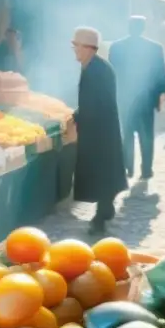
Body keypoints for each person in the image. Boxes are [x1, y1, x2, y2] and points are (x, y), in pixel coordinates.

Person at [71, 27, 128, 234]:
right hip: (99, 129)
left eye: (76, 45)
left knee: (101, 173)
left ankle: (100, 217)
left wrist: (77, 117)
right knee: (104, 173)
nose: (74, 50)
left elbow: (95, 104)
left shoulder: (97, 70)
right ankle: (105, 210)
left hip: (100, 132)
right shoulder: (94, 66)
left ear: (87, 48)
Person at [108, 16, 165, 179]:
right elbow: (160, 74)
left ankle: (129, 168)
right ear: (143, 28)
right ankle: (146, 169)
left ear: (129, 27)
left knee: (126, 134)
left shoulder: (116, 47)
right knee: (146, 135)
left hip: (125, 98)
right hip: (146, 99)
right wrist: (161, 95)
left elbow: (111, 74)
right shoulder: (155, 48)